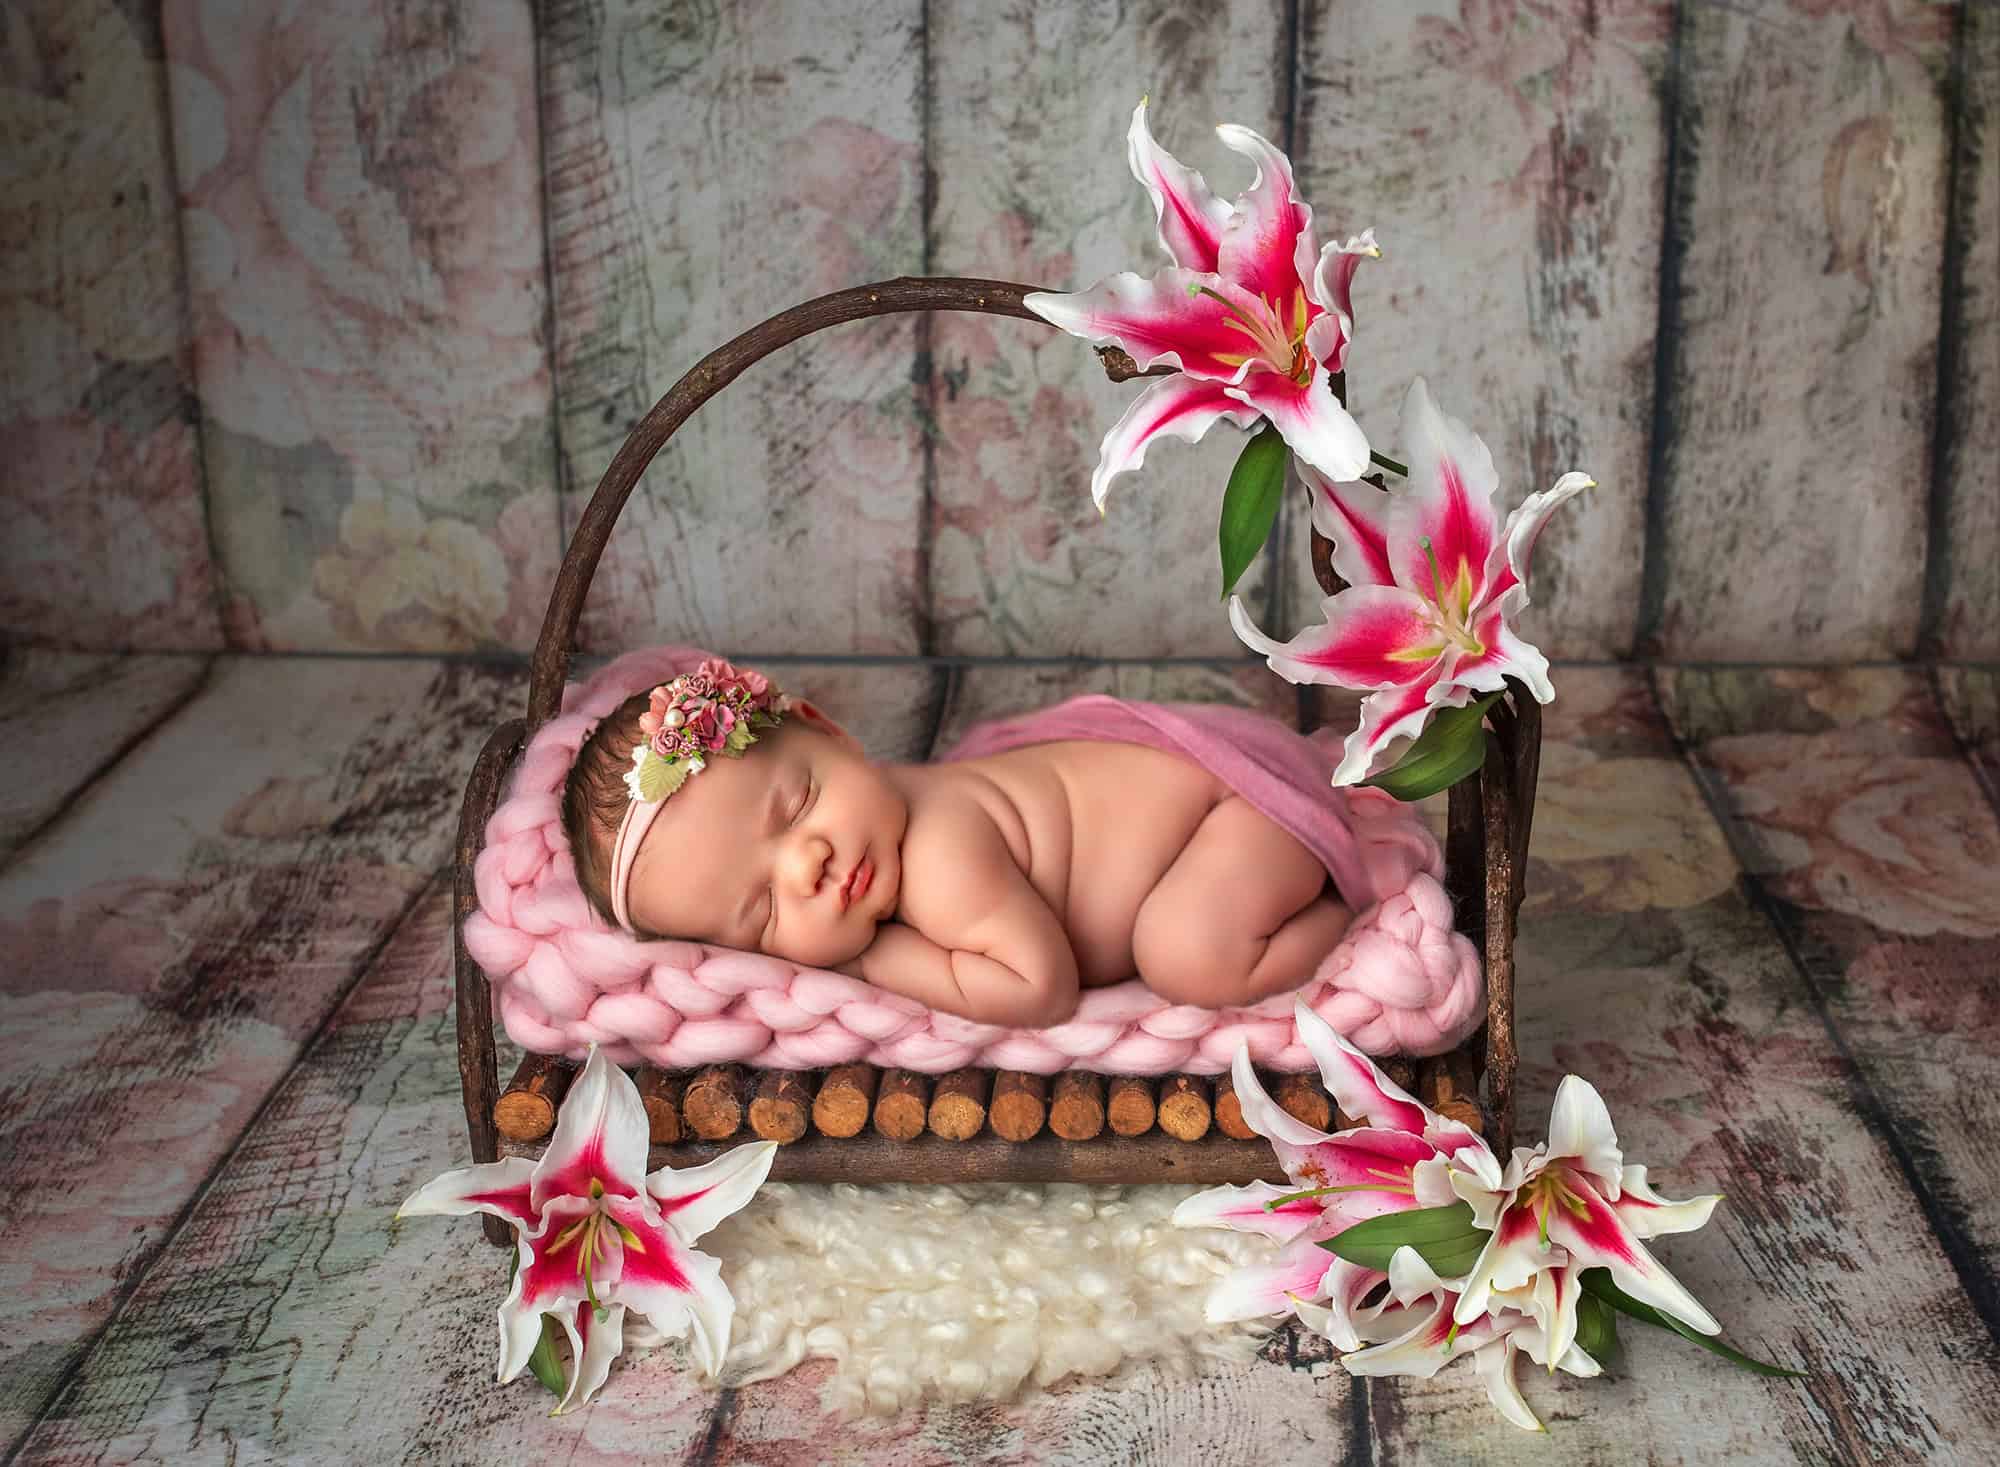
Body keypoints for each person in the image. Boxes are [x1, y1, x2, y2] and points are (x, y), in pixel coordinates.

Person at [561, 658, 1354, 1029]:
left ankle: (1346, 914)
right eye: (763, 910)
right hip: (1204, 820)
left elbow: (1039, 986)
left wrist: (864, 959)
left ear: (828, 730)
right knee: (1176, 936)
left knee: (1186, 953)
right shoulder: (884, 816)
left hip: (1236, 812)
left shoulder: (939, 852)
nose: (809, 864)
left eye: (798, 803)